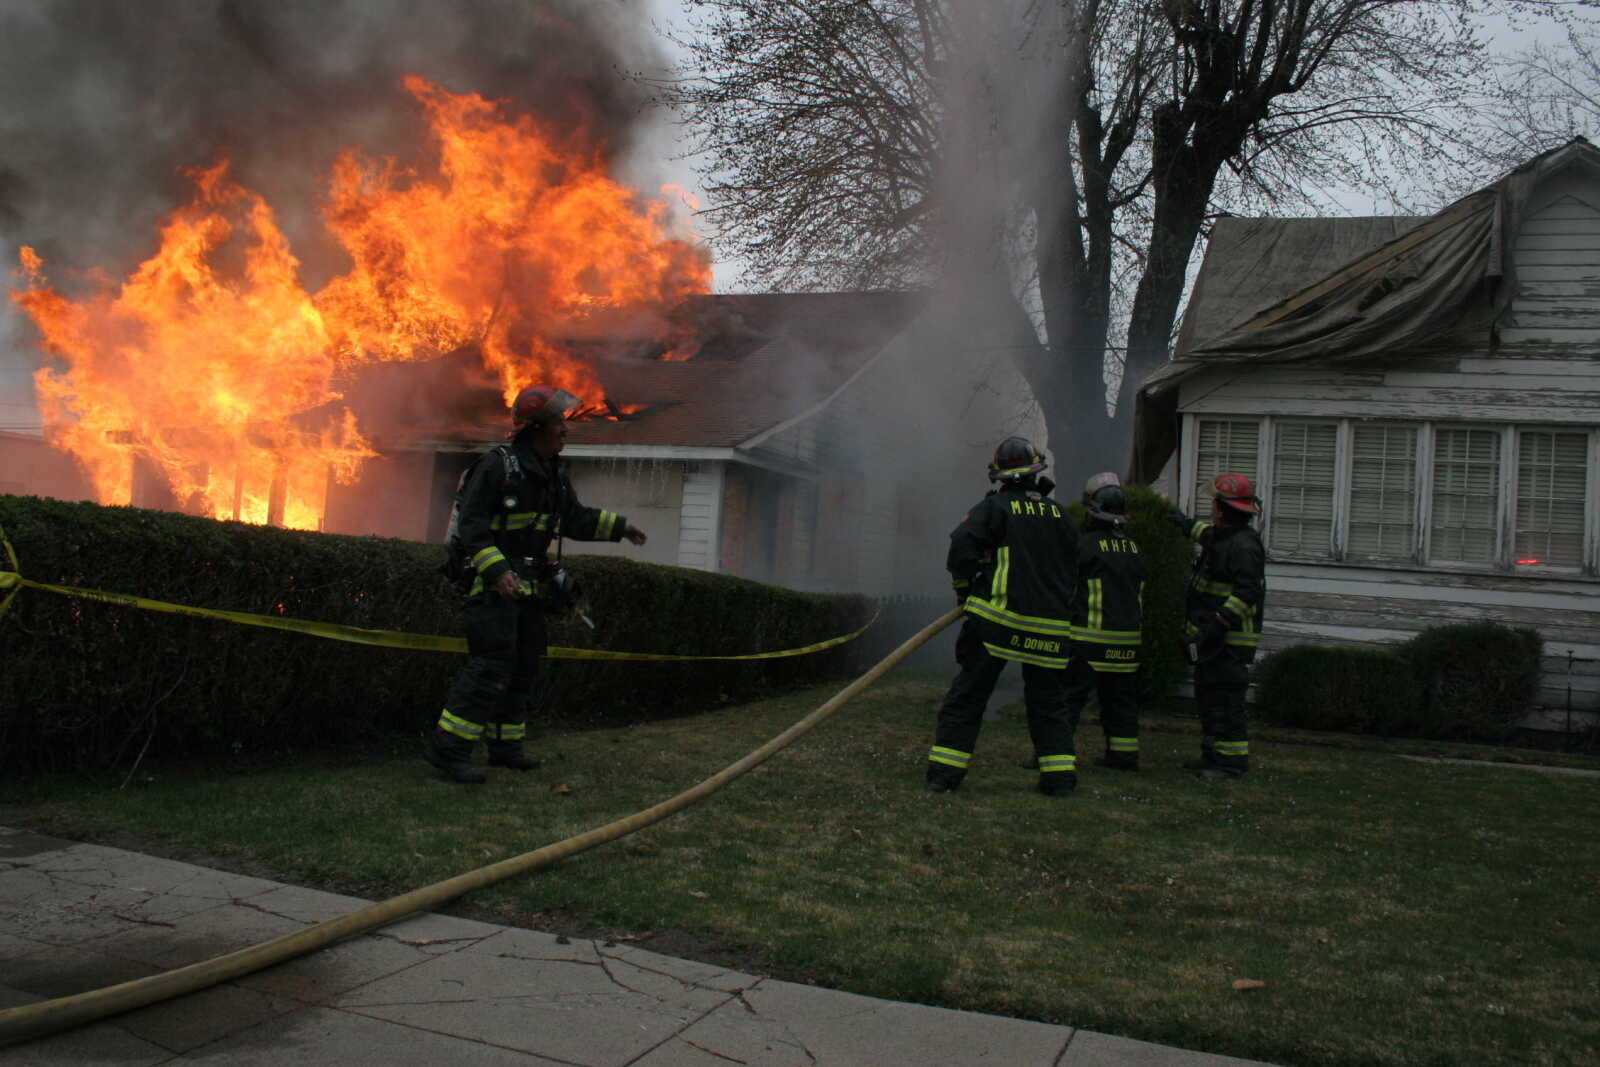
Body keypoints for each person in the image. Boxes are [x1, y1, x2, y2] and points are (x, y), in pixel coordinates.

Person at [425, 384, 648, 784]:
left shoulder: (552, 475)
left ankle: (505, 748)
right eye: (558, 421)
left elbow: (574, 518)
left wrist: (621, 528)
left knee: (523, 668)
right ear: (536, 428)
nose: (565, 428)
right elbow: (473, 526)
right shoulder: (497, 467)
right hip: (491, 588)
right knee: (489, 668)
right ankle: (449, 751)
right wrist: (497, 572)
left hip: (528, 589)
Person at [926, 437, 1080, 796]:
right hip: (1050, 628)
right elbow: (1076, 566)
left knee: (968, 697)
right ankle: (1059, 779)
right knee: (1049, 705)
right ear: (1036, 472)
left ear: (999, 475)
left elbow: (961, 545)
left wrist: (965, 589)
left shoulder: (994, 508)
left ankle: (943, 776)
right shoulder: (1062, 516)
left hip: (998, 621)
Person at [1168, 473, 1265, 780]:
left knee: (1226, 702)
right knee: (1209, 698)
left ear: (1222, 509)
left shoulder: (1244, 546)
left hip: (1230, 640)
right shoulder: (1224, 536)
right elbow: (1207, 535)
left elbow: (1247, 593)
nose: (1211, 507)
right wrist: (1184, 524)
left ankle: (1231, 763)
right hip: (1214, 638)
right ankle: (1212, 756)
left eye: (1214, 503)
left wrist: (1216, 626)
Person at [1065, 473, 1145, 771]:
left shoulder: (1083, 546)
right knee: (1121, 702)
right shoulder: (1135, 549)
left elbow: (1067, 590)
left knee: (1069, 699)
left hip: (1089, 640)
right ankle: (1124, 756)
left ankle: (1054, 754)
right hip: (1128, 643)